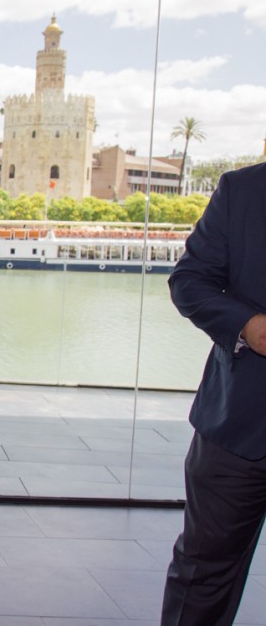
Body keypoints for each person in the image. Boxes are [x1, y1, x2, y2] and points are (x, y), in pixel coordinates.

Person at [161, 162, 266, 625]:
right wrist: (248, 325)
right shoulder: (241, 189)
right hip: (237, 426)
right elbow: (190, 280)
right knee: (202, 579)